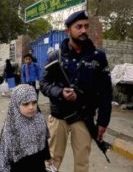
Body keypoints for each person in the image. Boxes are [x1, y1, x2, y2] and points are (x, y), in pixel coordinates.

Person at [40, 10, 112, 172]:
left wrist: (103, 121)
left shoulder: (97, 56)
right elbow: (44, 83)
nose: (84, 30)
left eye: (86, 26)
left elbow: (106, 92)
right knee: (52, 159)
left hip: (84, 117)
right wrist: (59, 92)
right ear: (68, 31)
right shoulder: (55, 56)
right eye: (78, 27)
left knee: (82, 163)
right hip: (59, 116)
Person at [0, 84, 52, 172]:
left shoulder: (39, 119)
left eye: (34, 102)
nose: (31, 107)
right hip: (19, 167)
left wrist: (48, 157)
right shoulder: (11, 125)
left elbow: (43, 141)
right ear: (16, 104)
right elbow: (4, 155)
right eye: (25, 104)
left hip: (38, 165)